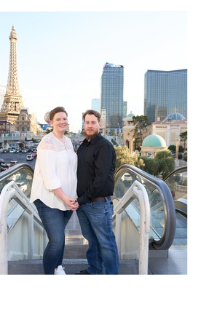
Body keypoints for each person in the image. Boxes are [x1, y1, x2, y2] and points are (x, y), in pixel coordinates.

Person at [30, 107, 78, 275]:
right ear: (51, 122)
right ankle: (49, 273)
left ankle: (58, 268)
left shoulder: (68, 141)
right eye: (58, 119)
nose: (62, 121)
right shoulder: (47, 143)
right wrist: (64, 197)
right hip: (48, 199)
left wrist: (73, 196)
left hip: (67, 199)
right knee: (56, 241)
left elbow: (72, 170)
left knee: (60, 237)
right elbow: (49, 176)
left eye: (64, 118)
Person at [74, 110, 119, 275]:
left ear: (99, 124)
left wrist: (82, 199)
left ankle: (111, 275)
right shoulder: (84, 145)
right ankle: (94, 270)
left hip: (98, 204)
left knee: (106, 242)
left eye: (93, 122)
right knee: (92, 240)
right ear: (84, 124)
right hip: (83, 203)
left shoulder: (103, 146)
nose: (90, 125)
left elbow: (100, 180)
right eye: (87, 122)